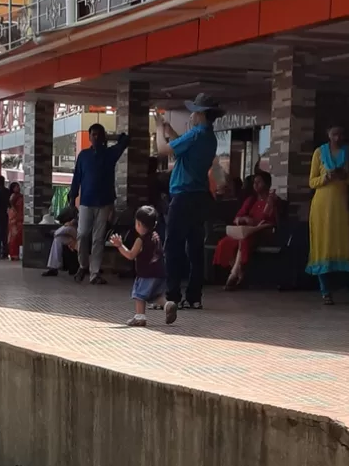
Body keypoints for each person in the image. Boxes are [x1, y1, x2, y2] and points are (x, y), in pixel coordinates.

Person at [163, 92, 222, 323]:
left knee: (173, 246)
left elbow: (164, 149)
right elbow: (183, 148)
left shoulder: (196, 134)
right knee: (195, 247)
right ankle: (194, 296)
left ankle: (172, 296)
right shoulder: (209, 138)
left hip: (182, 196)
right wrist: (173, 135)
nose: (193, 115)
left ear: (201, 114)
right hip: (200, 197)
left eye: (195, 111)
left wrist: (160, 130)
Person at [306, 125, 349, 303]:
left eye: (341, 134)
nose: (337, 138)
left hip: (344, 205)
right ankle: (325, 292)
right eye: (334, 134)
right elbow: (311, 181)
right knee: (323, 246)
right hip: (321, 206)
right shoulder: (319, 152)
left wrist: (344, 176)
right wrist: (325, 178)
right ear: (328, 135)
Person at [71, 121, 129, 284]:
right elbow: (77, 178)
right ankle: (83, 265)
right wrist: (72, 196)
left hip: (104, 202)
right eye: (93, 134)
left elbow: (125, 140)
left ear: (103, 137)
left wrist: (109, 136)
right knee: (82, 234)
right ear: (89, 137)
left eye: (98, 134)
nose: (95, 137)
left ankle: (94, 273)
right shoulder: (83, 155)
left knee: (98, 238)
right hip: (86, 202)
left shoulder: (110, 154)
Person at [212, 169, 280, 290]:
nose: (256, 185)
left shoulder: (273, 201)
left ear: (267, 184)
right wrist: (244, 219)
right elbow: (237, 217)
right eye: (254, 182)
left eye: (259, 182)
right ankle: (239, 274)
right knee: (226, 242)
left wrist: (270, 204)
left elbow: (268, 219)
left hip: (261, 232)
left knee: (244, 240)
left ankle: (234, 275)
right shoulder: (251, 200)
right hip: (246, 231)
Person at [106, 205, 166, 326]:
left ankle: (140, 317)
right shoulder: (156, 236)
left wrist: (119, 245)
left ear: (138, 224)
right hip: (159, 272)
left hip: (145, 273)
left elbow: (130, 255)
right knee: (155, 295)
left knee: (139, 294)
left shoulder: (140, 240)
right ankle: (168, 305)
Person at [43, 199, 79, 276]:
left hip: (81, 233)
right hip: (73, 236)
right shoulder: (73, 208)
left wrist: (73, 221)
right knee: (58, 240)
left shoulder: (83, 207)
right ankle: (53, 267)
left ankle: (54, 233)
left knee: (66, 228)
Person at [7, 182, 24, 259]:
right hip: (15, 219)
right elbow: (12, 206)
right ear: (13, 188)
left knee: (19, 237)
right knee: (14, 237)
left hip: (19, 219)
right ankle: (14, 254)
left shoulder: (20, 196)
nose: (18, 188)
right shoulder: (13, 197)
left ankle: (18, 254)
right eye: (17, 187)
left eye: (18, 186)